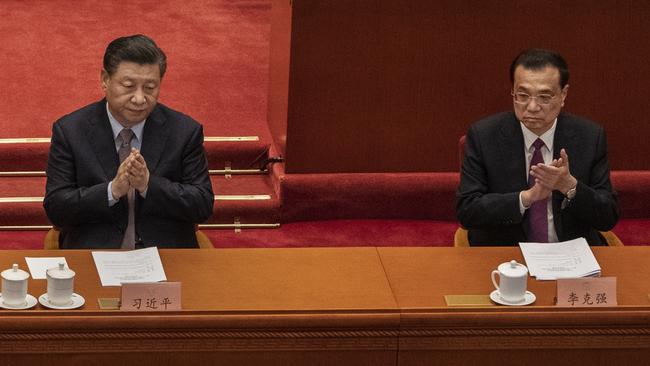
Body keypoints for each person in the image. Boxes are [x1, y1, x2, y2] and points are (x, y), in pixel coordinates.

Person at [44, 34, 214, 249]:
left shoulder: (184, 131)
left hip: (166, 256)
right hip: (95, 255)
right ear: (105, 80)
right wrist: (112, 190)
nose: (140, 99)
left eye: (150, 88)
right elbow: (56, 208)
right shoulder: (70, 131)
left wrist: (147, 185)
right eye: (128, 86)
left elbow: (202, 206)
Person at [457, 48, 618, 246]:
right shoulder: (484, 136)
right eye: (523, 95)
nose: (532, 107)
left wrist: (570, 186)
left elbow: (608, 216)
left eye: (544, 97)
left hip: (570, 255)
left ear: (563, 94)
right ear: (513, 92)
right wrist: (526, 198)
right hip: (507, 255)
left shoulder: (590, 137)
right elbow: (467, 211)